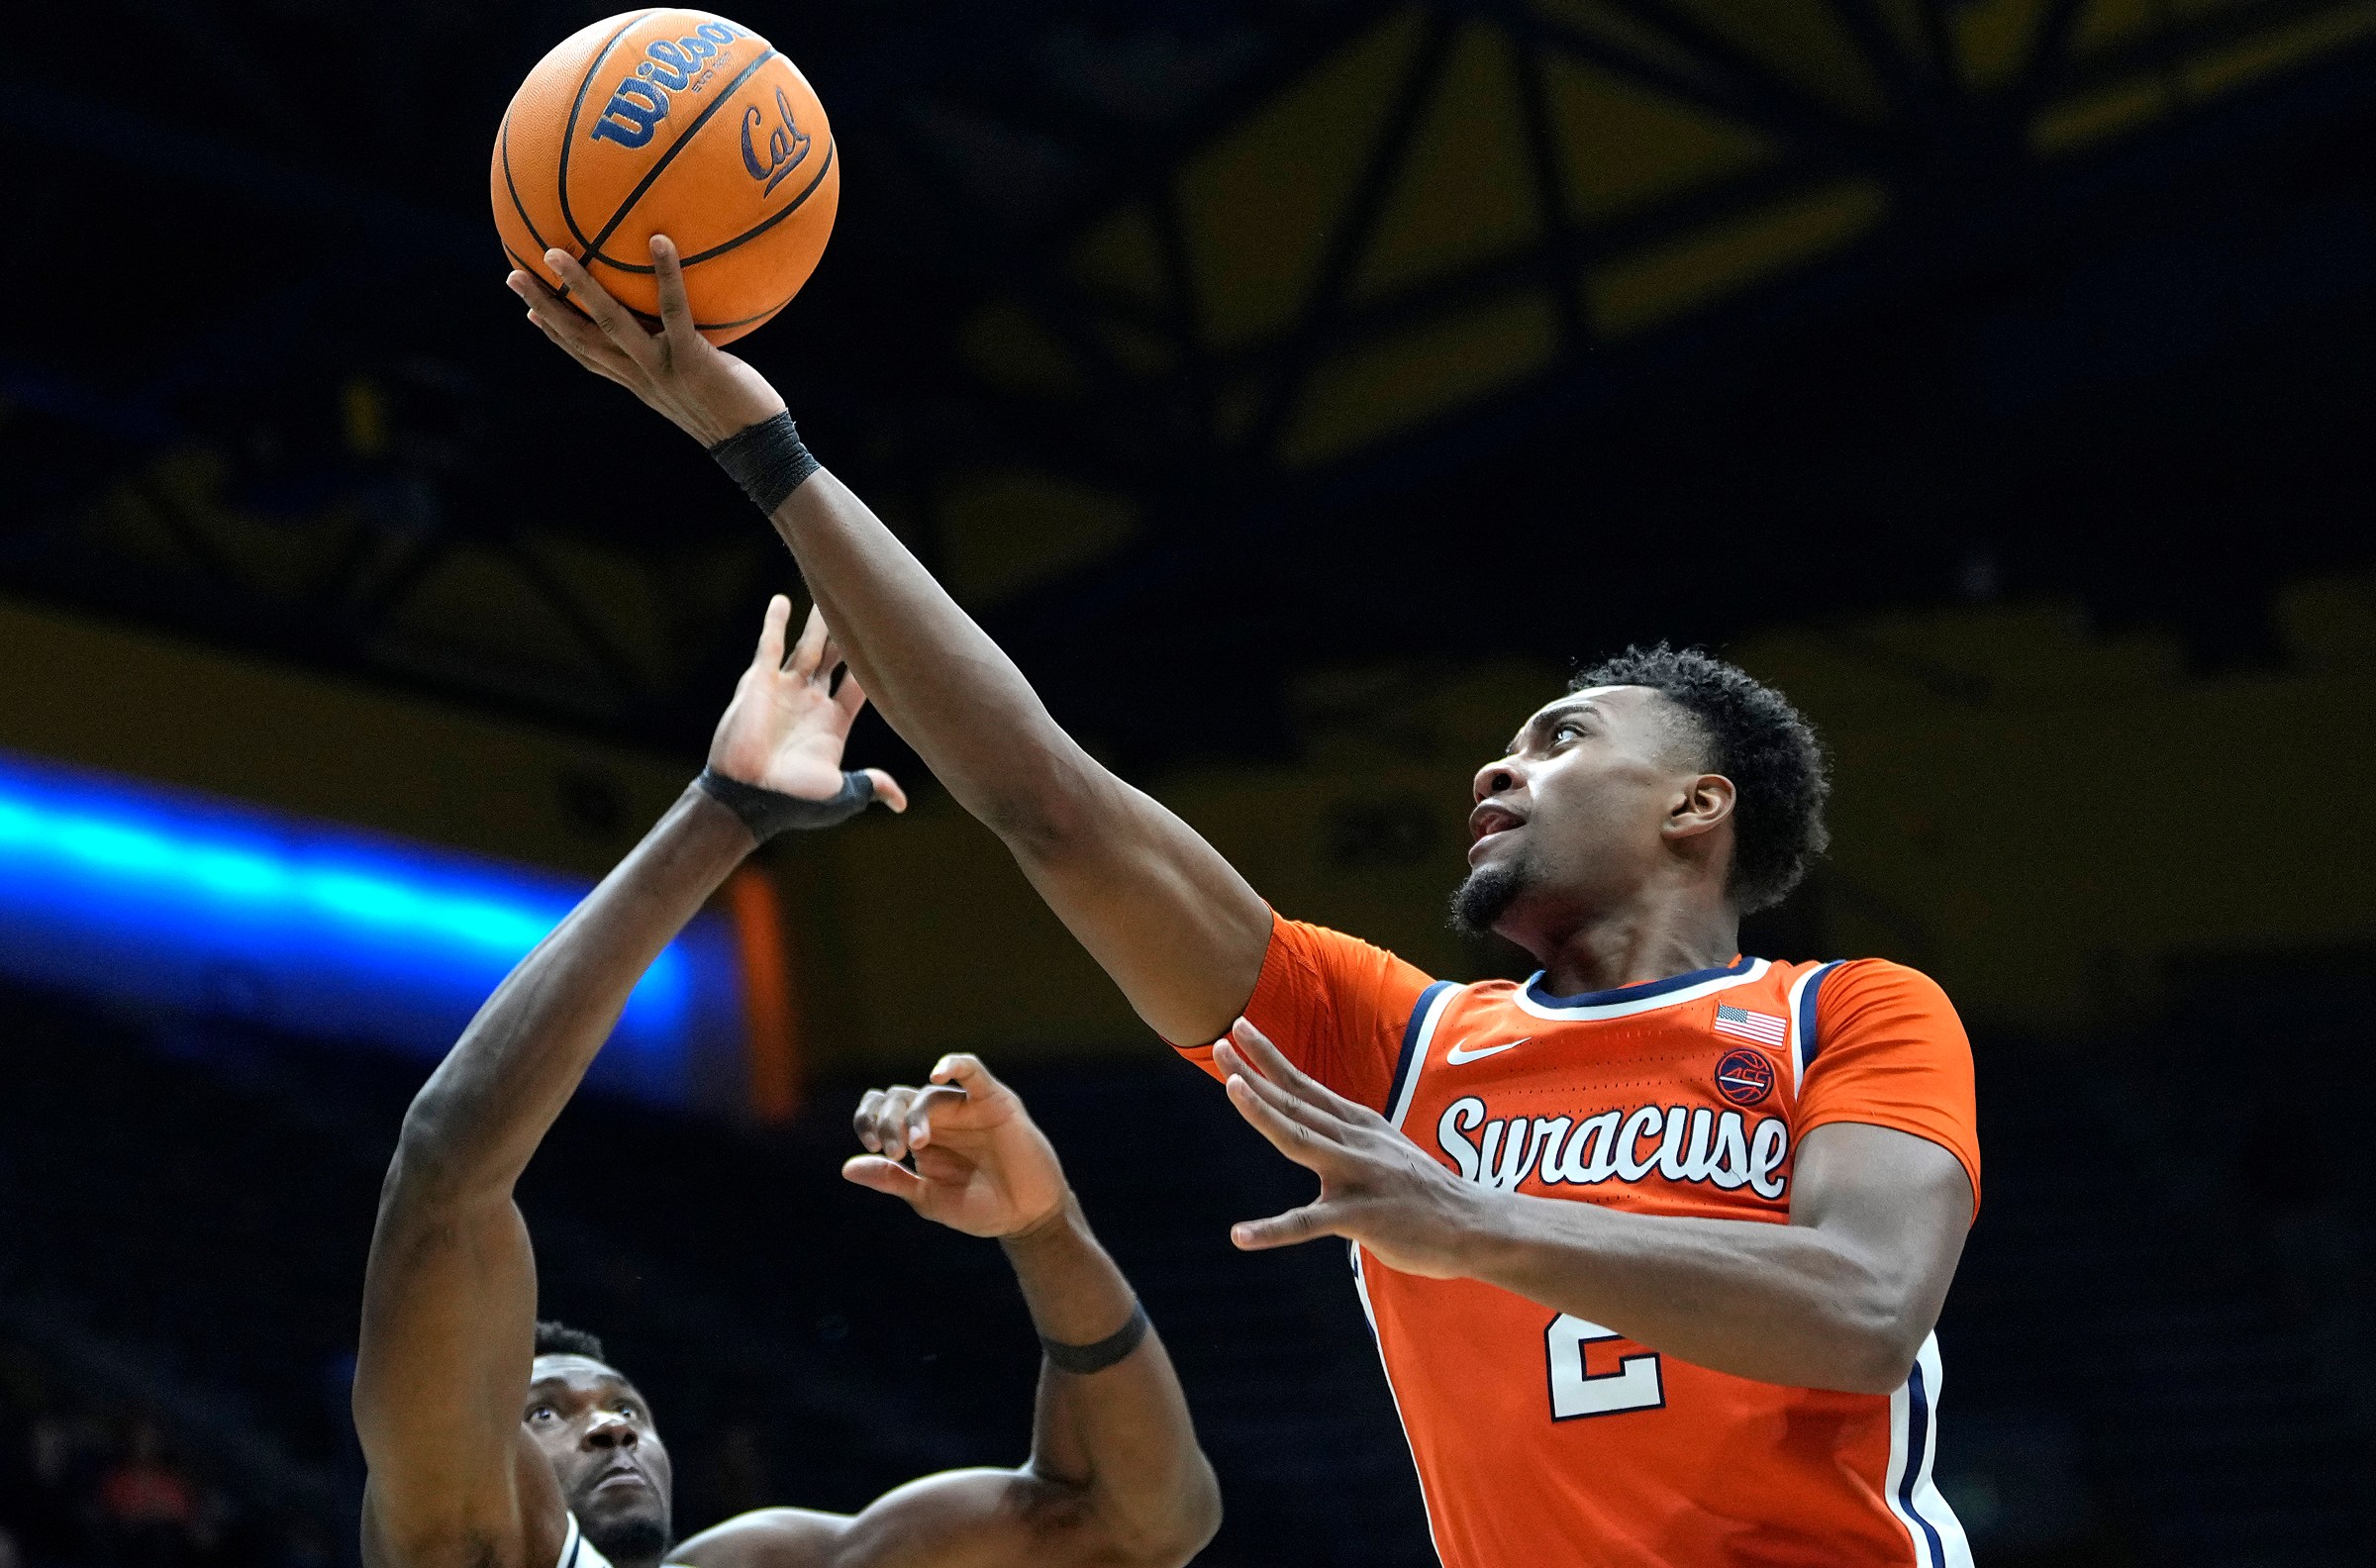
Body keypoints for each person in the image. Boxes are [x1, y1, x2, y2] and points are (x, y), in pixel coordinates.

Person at [511, 242, 1981, 1568]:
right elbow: (1052, 804)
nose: (1497, 761)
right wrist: (756, 445)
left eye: (1562, 736)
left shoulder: (1847, 1013)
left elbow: (1859, 1310)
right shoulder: (1395, 1048)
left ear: (1696, 807)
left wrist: (1477, 1223)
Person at [352, 599, 1220, 1568]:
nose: (610, 1430)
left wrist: (1046, 1231)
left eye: (624, 1406)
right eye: (546, 1412)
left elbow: (1142, 1523)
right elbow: (443, 1174)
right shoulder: (470, 1540)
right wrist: (720, 817)